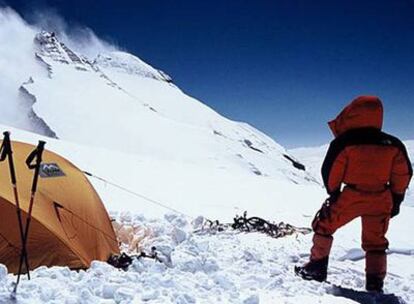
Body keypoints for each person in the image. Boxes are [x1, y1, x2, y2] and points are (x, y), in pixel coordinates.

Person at [295, 96, 412, 292]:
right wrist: (396, 199)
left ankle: (316, 269)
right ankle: (375, 283)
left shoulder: (344, 142)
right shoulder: (393, 143)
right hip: (381, 197)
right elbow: (403, 174)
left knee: (324, 226)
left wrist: (334, 193)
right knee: (376, 242)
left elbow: (331, 171)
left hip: (352, 195)